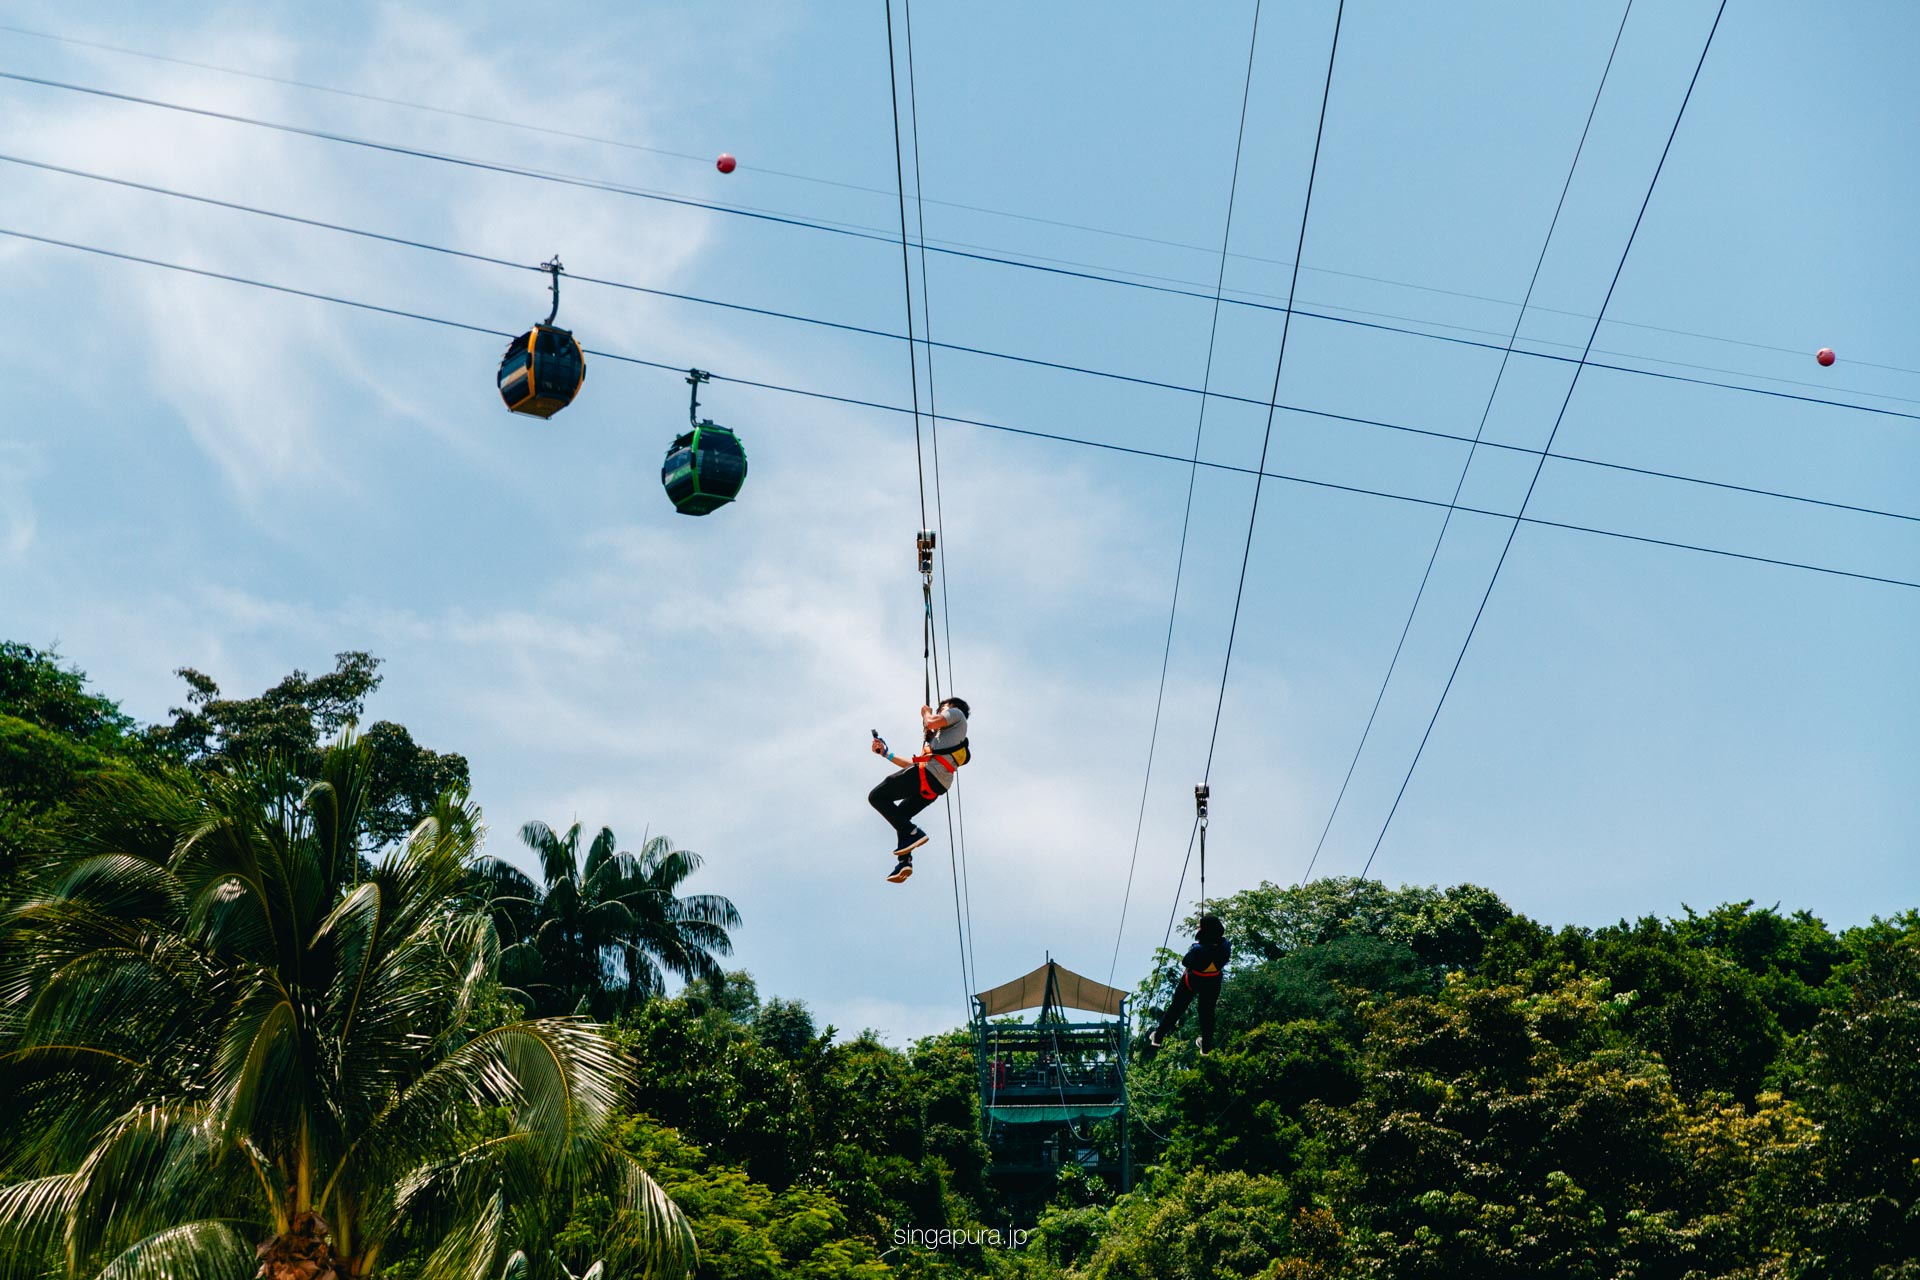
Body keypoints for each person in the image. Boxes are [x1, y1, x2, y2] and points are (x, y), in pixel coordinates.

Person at [868, 697, 970, 883]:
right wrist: (885, 753)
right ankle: (905, 861)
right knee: (900, 817)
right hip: (936, 782)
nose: (940, 713)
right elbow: (913, 764)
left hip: (929, 775)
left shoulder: (957, 714)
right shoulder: (941, 741)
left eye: (942, 710)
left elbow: (931, 721)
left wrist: (926, 714)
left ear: (950, 709)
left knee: (877, 796)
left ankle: (914, 833)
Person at [1148, 914, 1230, 1055]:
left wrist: (1197, 949)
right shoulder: (1225, 946)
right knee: (1207, 1013)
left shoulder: (1198, 949)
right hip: (1212, 982)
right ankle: (1206, 1046)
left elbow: (1186, 962)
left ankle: (1158, 1036)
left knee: (1176, 1009)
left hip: (1192, 981)